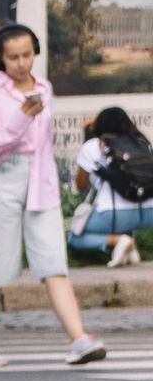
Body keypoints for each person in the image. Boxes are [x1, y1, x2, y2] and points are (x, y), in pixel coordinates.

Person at [0, 23, 105, 367]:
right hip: (0, 177)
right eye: (13, 57)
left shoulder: (44, 88)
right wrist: (20, 119)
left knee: (53, 260)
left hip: (41, 180)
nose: (22, 63)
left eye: (27, 54)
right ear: (1, 57)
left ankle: (79, 339)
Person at [69, 106, 153, 269]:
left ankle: (118, 241)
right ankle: (130, 248)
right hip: (148, 213)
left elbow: (81, 186)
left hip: (113, 214)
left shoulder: (93, 146)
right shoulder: (141, 141)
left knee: (75, 236)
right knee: (127, 214)